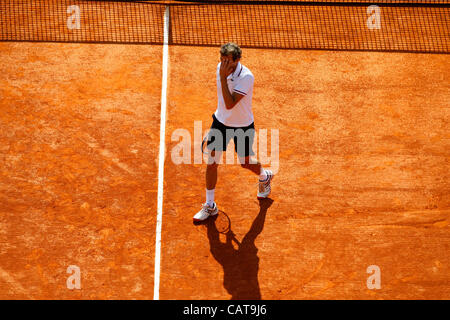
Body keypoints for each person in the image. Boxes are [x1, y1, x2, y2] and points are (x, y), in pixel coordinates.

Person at [194, 43, 274, 222]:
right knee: (212, 162)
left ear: (237, 61)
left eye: (227, 61)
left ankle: (265, 176)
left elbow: (230, 103)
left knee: (245, 163)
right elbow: (223, 104)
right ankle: (210, 205)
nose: (223, 64)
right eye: (221, 60)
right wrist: (216, 123)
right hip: (220, 123)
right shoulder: (221, 68)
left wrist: (223, 78)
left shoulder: (246, 77)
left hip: (242, 126)